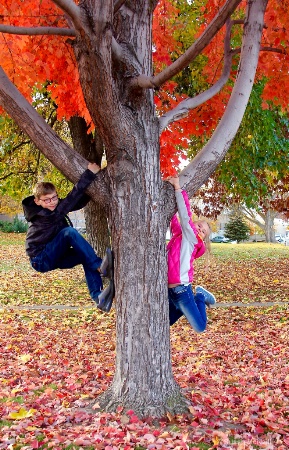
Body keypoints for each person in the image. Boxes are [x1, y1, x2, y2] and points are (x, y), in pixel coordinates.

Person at [22, 163, 114, 310]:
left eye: (54, 198)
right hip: (41, 259)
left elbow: (74, 202)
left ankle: (98, 297)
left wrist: (93, 188)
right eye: (46, 200)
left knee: (84, 255)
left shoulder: (52, 209)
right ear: (37, 201)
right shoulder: (42, 215)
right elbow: (71, 200)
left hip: (56, 255)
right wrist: (89, 173)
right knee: (69, 232)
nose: (52, 202)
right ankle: (100, 267)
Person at [167, 176, 216, 333]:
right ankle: (186, 308)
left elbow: (185, 214)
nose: (200, 230)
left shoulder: (193, 239)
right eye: (200, 225)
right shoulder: (180, 235)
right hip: (169, 291)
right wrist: (167, 195)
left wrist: (177, 188)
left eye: (204, 231)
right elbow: (173, 218)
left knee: (200, 327)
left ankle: (200, 295)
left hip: (182, 291)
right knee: (163, 322)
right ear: (195, 224)